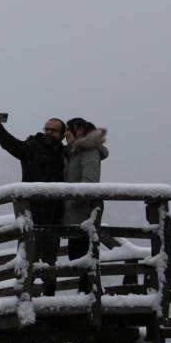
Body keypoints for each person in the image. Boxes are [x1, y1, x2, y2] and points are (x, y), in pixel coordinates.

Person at [0, 112, 66, 296]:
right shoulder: (32, 147)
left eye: (53, 130)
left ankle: (49, 298)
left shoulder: (64, 153)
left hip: (55, 214)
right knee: (28, 258)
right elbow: (11, 144)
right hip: (32, 212)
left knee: (49, 261)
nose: (48, 132)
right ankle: (26, 298)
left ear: (62, 135)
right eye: (46, 129)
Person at [63, 118, 109, 292]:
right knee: (77, 257)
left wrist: (71, 201)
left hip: (84, 213)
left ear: (80, 130)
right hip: (75, 214)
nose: (65, 133)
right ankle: (87, 294)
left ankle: (90, 296)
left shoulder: (89, 151)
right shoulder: (75, 152)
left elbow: (89, 181)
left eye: (69, 129)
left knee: (83, 257)